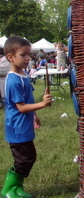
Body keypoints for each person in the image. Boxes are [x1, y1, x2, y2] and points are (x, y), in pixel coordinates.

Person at [1, 36, 52, 198]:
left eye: (28, 54)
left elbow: (27, 100)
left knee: (27, 158)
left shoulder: (22, 75)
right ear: (10, 57)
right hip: (16, 128)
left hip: (24, 125)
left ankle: (17, 188)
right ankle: (8, 190)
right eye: (23, 55)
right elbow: (21, 107)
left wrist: (34, 115)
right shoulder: (13, 80)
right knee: (25, 159)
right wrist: (42, 105)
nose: (28, 58)